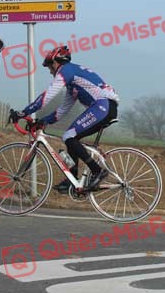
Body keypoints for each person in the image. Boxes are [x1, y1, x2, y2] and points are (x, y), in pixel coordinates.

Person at [10, 46, 119, 193]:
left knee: (69, 136)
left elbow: (47, 96)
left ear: (57, 62)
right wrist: (43, 121)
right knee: (70, 138)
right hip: (105, 106)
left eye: (50, 66)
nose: (50, 71)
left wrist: (23, 112)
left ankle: (97, 171)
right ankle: (72, 179)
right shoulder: (72, 83)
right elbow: (62, 111)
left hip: (103, 105)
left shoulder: (66, 70)